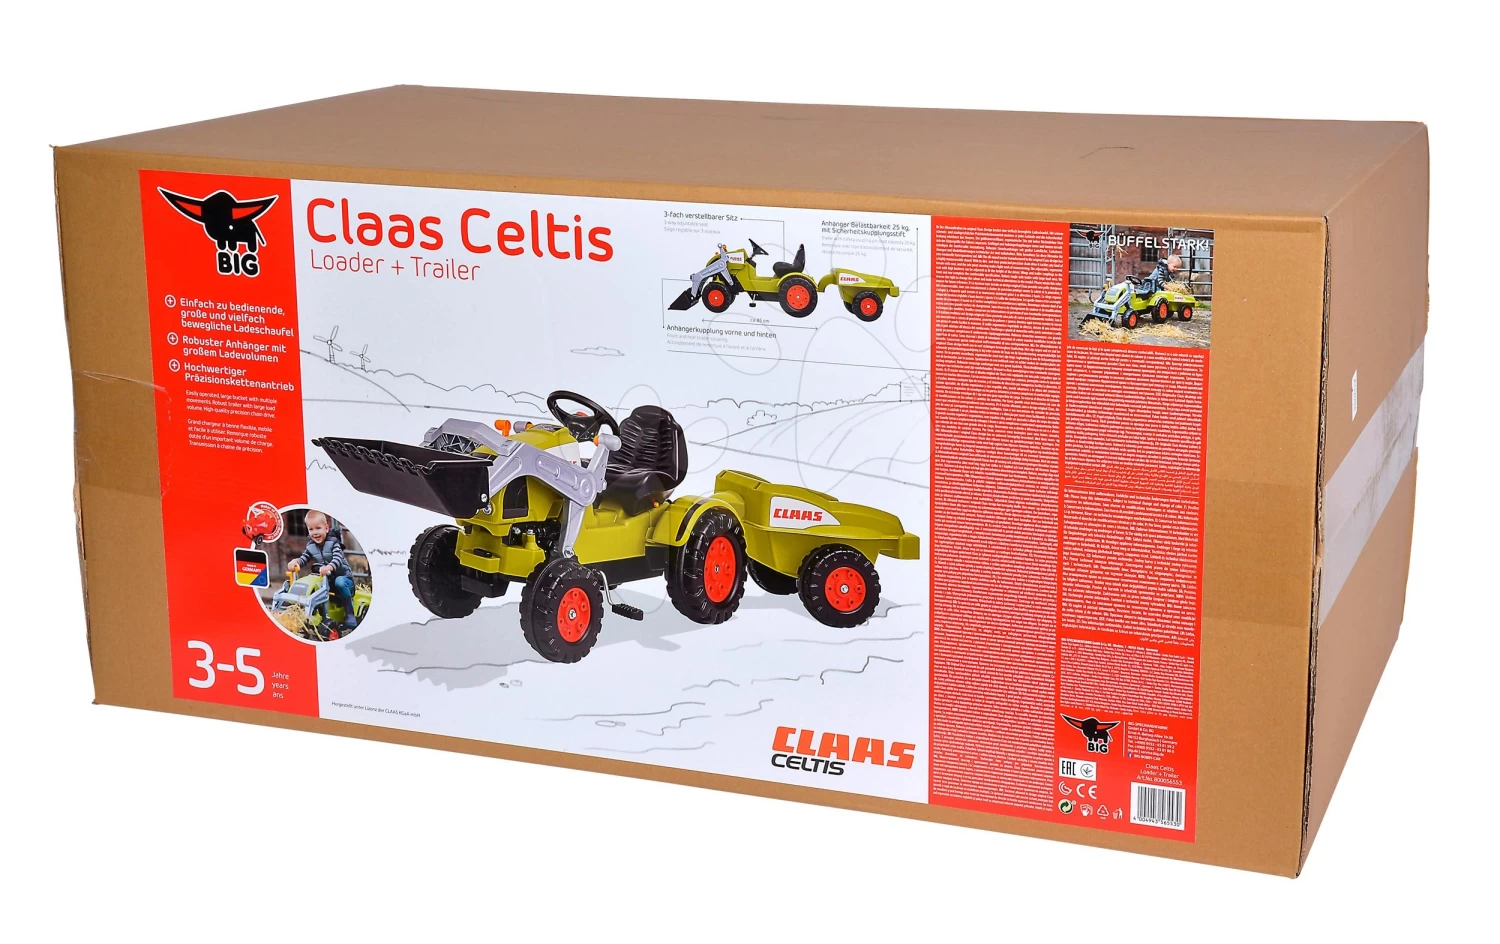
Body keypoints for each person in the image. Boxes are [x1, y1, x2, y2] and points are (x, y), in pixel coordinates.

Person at [289, 510, 358, 629]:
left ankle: (350, 614)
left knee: (340, 582)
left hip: (344, 579)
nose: (315, 533)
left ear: (326, 528)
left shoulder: (334, 543)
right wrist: (296, 561)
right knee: (313, 583)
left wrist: (329, 567)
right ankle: (311, 613)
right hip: (327, 580)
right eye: (311, 529)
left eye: (318, 528)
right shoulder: (311, 545)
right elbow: (305, 558)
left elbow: (338, 558)